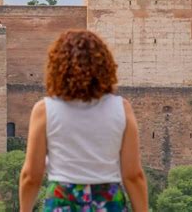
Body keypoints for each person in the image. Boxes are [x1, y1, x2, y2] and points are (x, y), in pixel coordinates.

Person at [19, 30, 148, 211]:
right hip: (108, 200)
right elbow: (133, 175)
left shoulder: (44, 110)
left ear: (57, 67)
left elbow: (31, 175)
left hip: (62, 200)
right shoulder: (122, 108)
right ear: (105, 66)